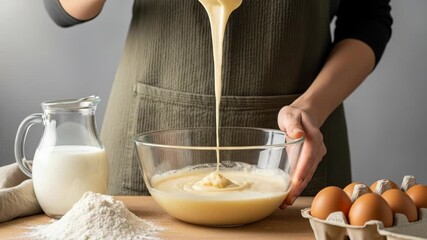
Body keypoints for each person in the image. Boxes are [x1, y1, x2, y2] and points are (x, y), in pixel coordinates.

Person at [44, 0, 393, 207]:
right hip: (153, 136)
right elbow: (64, 8)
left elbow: (368, 17)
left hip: (293, 145)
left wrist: (311, 108)